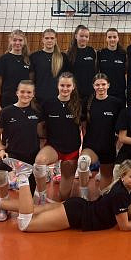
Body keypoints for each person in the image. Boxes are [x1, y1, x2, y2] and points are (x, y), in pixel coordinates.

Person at [0, 159, 131, 232]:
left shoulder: (128, 189)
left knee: (35, 210)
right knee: (25, 224)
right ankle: (23, 176)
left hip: (79, 206)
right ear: (122, 177)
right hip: (76, 215)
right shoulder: (120, 194)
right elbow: (124, 226)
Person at [0, 79, 44, 222]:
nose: (25, 95)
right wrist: (1, 150)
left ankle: (33, 196)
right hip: (12, 155)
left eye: (29, 92)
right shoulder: (6, 112)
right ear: (17, 93)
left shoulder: (37, 113)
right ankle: (4, 205)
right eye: (22, 92)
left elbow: (42, 136)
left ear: (33, 94)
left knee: (29, 203)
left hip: (31, 157)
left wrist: (41, 154)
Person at [33, 73, 83, 204]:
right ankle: (42, 198)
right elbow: (41, 128)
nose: (65, 88)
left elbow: (83, 128)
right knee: (39, 162)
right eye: (62, 85)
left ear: (73, 87)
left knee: (63, 197)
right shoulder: (48, 104)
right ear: (58, 86)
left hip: (71, 151)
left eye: (68, 86)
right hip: (53, 147)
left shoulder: (79, 105)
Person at [77, 73, 125, 199]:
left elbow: (120, 127)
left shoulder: (116, 103)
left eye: (103, 84)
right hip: (91, 146)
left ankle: (102, 199)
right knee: (83, 162)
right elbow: (83, 125)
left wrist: (117, 145)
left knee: (105, 190)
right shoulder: (87, 102)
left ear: (108, 85)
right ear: (93, 86)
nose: (100, 87)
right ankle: (84, 195)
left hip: (108, 146)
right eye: (97, 85)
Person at [0, 29, 31, 114]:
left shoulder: (29, 60)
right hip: (7, 101)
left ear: (24, 42)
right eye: (14, 40)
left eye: (20, 40)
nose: (17, 43)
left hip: (25, 100)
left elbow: (32, 81)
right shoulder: (2, 60)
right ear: (10, 41)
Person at [30, 28, 67, 105]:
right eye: (47, 38)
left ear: (55, 40)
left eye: (52, 38)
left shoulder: (63, 57)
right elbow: (31, 79)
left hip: (59, 98)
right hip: (39, 98)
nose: (49, 40)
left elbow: (67, 78)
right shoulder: (34, 56)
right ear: (42, 40)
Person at [67, 24, 97, 107]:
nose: (84, 38)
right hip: (75, 92)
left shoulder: (92, 52)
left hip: (90, 92)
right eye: (81, 36)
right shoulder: (69, 53)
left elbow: (96, 70)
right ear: (76, 36)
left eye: (86, 36)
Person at [97, 28, 127, 103]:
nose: (112, 39)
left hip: (120, 92)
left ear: (118, 38)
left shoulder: (123, 54)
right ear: (106, 39)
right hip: (104, 91)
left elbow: (127, 73)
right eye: (109, 37)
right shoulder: (101, 53)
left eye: (114, 37)